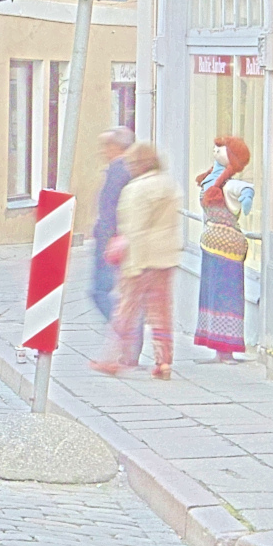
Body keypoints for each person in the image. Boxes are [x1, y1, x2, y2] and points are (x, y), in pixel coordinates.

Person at [92, 141, 183, 382]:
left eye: (131, 163)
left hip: (141, 260)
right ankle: (164, 362)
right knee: (161, 312)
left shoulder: (136, 189)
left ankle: (114, 359)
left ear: (138, 164)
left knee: (126, 311)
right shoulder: (169, 184)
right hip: (165, 258)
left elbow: (135, 231)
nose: (129, 168)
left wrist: (132, 267)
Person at [195, 134, 254, 362]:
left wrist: (247, 201)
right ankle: (219, 347)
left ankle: (226, 347)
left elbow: (246, 189)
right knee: (214, 294)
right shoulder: (212, 179)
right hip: (212, 243)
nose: (215, 151)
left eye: (221, 149)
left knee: (225, 295)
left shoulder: (229, 184)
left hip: (226, 247)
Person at [89, 128, 133, 326]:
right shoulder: (128, 169)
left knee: (101, 290)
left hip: (111, 240)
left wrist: (106, 238)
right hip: (119, 238)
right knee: (117, 289)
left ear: (116, 147)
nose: (103, 151)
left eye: (106, 146)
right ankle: (129, 326)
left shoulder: (118, 171)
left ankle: (125, 327)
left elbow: (110, 208)